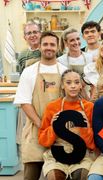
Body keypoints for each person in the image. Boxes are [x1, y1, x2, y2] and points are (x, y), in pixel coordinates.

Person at [13, 31, 67, 180]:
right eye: (45, 44)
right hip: (35, 131)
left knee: (58, 175)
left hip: (60, 132)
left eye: (52, 44)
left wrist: (55, 126)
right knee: (31, 174)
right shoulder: (29, 72)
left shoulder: (64, 72)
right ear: (40, 47)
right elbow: (24, 102)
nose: (48, 47)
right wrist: (42, 124)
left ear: (57, 48)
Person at [38, 69, 95, 180]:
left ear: (81, 86)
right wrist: (54, 127)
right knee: (54, 176)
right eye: (68, 83)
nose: (73, 86)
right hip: (56, 155)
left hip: (82, 155)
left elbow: (92, 144)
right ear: (63, 86)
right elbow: (42, 140)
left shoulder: (89, 107)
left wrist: (85, 128)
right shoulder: (52, 107)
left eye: (77, 82)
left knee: (83, 175)